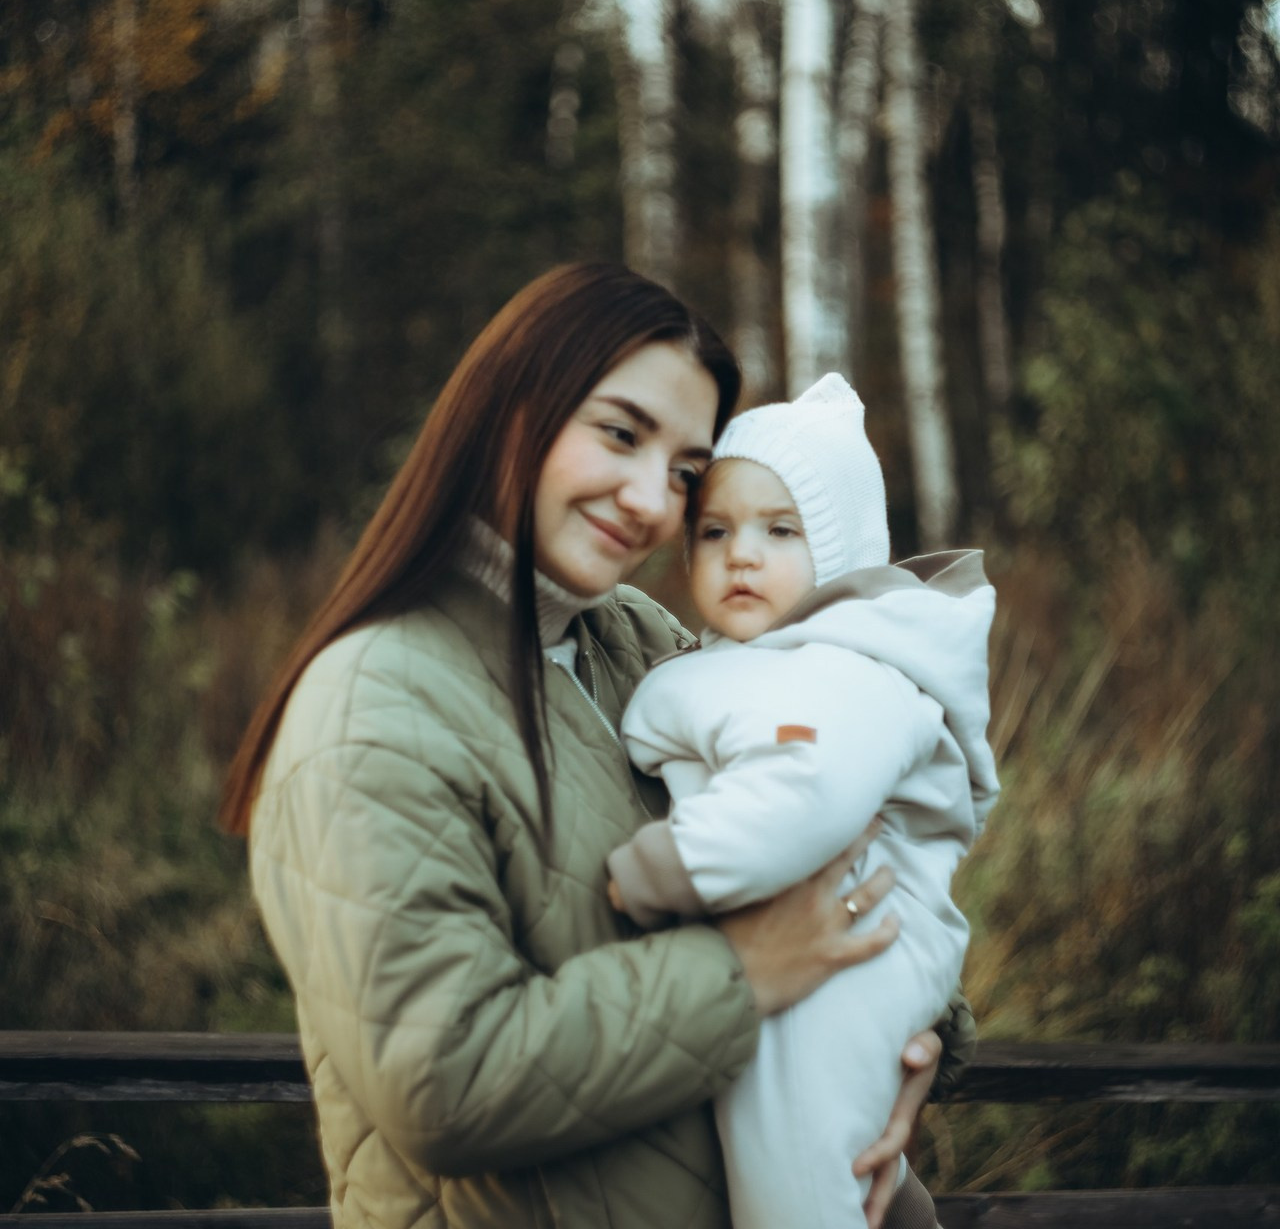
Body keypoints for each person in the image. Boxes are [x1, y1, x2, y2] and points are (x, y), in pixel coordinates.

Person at [220, 264, 973, 1229]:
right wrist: (744, 977)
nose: (652, 499)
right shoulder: (368, 705)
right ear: (508, 413)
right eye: (620, 434)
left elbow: (844, 840)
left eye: (686, 473)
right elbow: (445, 1082)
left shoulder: (641, 642)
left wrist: (915, 1044)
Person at [606, 373, 1001, 1229]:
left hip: (849, 961)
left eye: (781, 530)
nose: (742, 553)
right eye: (715, 532)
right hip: (778, 960)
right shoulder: (740, 661)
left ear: (843, 552)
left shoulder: (848, 668)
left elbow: (805, 796)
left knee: (797, 1156)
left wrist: (659, 869)